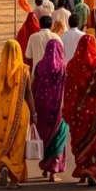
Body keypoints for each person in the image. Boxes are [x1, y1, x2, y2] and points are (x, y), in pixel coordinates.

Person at [64, 35, 96, 186]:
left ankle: (82, 169)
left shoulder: (72, 65)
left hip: (78, 112)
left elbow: (68, 88)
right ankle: (92, 168)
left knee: (79, 140)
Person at [0, 40, 36, 190]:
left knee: (0, 142)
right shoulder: (24, 70)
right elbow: (28, 93)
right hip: (19, 112)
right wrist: (33, 113)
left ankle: (3, 165)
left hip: (0, 112)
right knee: (17, 145)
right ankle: (14, 180)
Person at [32, 41, 68, 182]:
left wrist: (31, 107)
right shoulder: (64, 67)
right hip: (59, 109)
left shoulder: (40, 66)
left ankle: (46, 167)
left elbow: (33, 86)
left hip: (42, 108)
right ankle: (53, 171)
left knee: (45, 137)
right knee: (58, 138)